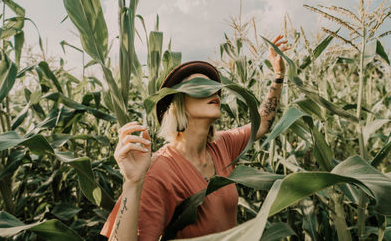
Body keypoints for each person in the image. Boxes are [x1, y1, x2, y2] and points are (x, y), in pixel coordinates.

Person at [101, 35, 289, 240]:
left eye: (215, 87)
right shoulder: (160, 172)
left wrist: (278, 75)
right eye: (200, 87)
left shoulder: (222, 145)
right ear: (177, 103)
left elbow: (261, 123)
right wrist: (132, 183)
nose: (214, 91)